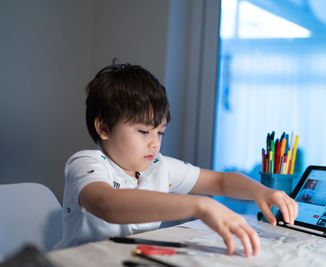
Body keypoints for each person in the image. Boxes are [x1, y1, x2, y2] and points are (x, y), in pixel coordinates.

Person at [55, 63, 298, 257]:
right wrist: (201, 206)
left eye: (160, 132)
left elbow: (220, 182)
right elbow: (108, 204)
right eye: (143, 132)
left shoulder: (158, 167)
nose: (154, 143)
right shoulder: (86, 163)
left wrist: (262, 191)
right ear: (104, 127)